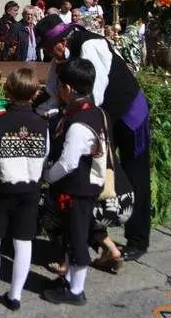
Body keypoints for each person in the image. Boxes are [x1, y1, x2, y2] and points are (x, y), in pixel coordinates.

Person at [34, 15, 151, 262]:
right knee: (90, 174)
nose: (47, 53)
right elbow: (55, 93)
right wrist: (34, 110)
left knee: (134, 173)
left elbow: (93, 95)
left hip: (127, 112)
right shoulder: (60, 55)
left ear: (60, 41)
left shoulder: (90, 45)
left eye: (47, 47)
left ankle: (138, 239)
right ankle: (97, 237)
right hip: (99, 115)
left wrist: (65, 116)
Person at [0, 68, 48, 313]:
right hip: (29, 188)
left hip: (1, 187)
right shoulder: (42, 124)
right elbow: (45, 155)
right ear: (36, 92)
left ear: (7, 91)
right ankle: (15, 295)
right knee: (24, 241)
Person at [41, 59, 107, 305]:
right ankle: (69, 280)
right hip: (77, 188)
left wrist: (48, 176)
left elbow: (68, 162)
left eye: (59, 86)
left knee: (77, 237)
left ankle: (76, 290)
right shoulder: (91, 110)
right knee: (71, 235)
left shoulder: (78, 123)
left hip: (77, 188)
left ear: (67, 88)